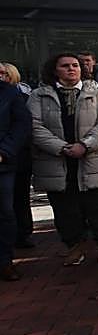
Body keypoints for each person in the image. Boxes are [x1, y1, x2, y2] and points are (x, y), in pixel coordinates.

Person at [28, 53, 98, 267]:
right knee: (65, 209)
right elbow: (34, 127)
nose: (71, 69)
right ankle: (74, 247)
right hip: (57, 161)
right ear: (54, 70)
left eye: (75, 65)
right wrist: (61, 147)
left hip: (92, 159)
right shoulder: (39, 96)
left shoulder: (96, 92)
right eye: (65, 66)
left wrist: (85, 145)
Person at [0, 69, 31, 281]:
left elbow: (22, 124)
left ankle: (4, 261)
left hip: (2, 164)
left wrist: (4, 152)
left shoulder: (9, 93)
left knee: (4, 213)